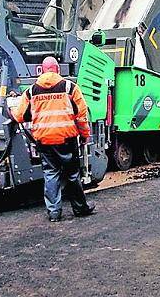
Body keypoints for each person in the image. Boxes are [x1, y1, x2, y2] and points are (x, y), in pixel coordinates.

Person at [11, 56, 96, 222]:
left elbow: (20, 116)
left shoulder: (31, 91)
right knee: (72, 175)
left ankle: (54, 213)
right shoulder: (70, 88)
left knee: (51, 174)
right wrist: (85, 136)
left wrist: (11, 113)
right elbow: (81, 116)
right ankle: (80, 208)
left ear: (42, 70)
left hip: (44, 141)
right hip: (67, 140)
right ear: (57, 69)